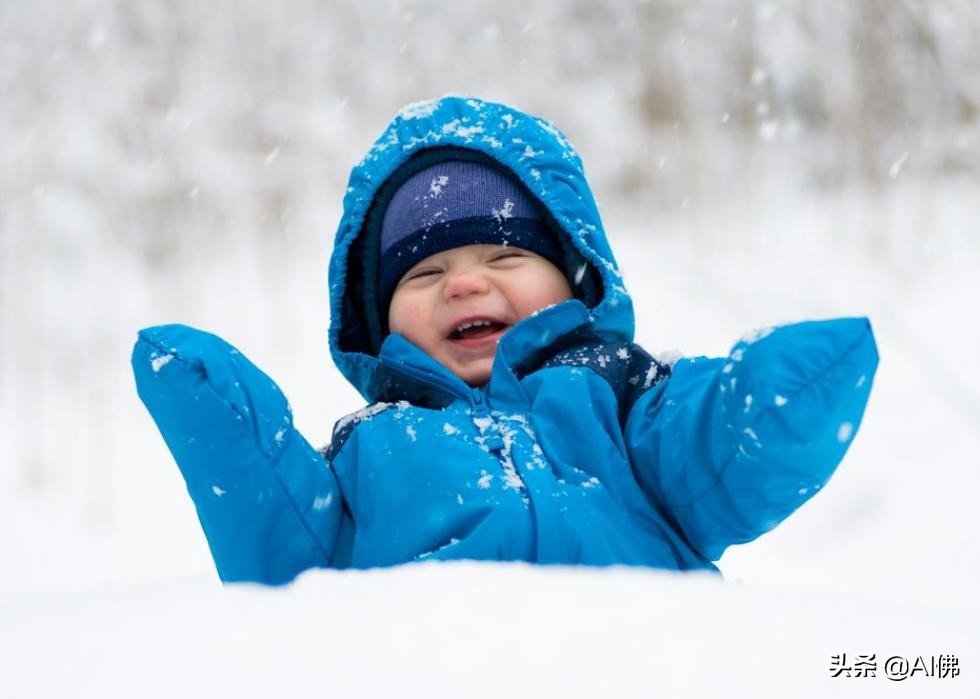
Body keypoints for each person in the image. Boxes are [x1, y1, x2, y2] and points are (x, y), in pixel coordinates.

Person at [132, 95, 878, 584]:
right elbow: (289, 547)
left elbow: (714, 453)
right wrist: (234, 442)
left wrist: (768, 399)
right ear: (380, 320)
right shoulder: (369, 452)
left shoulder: (623, 402)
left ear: (570, 279)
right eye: (424, 272)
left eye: (504, 257)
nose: (463, 284)